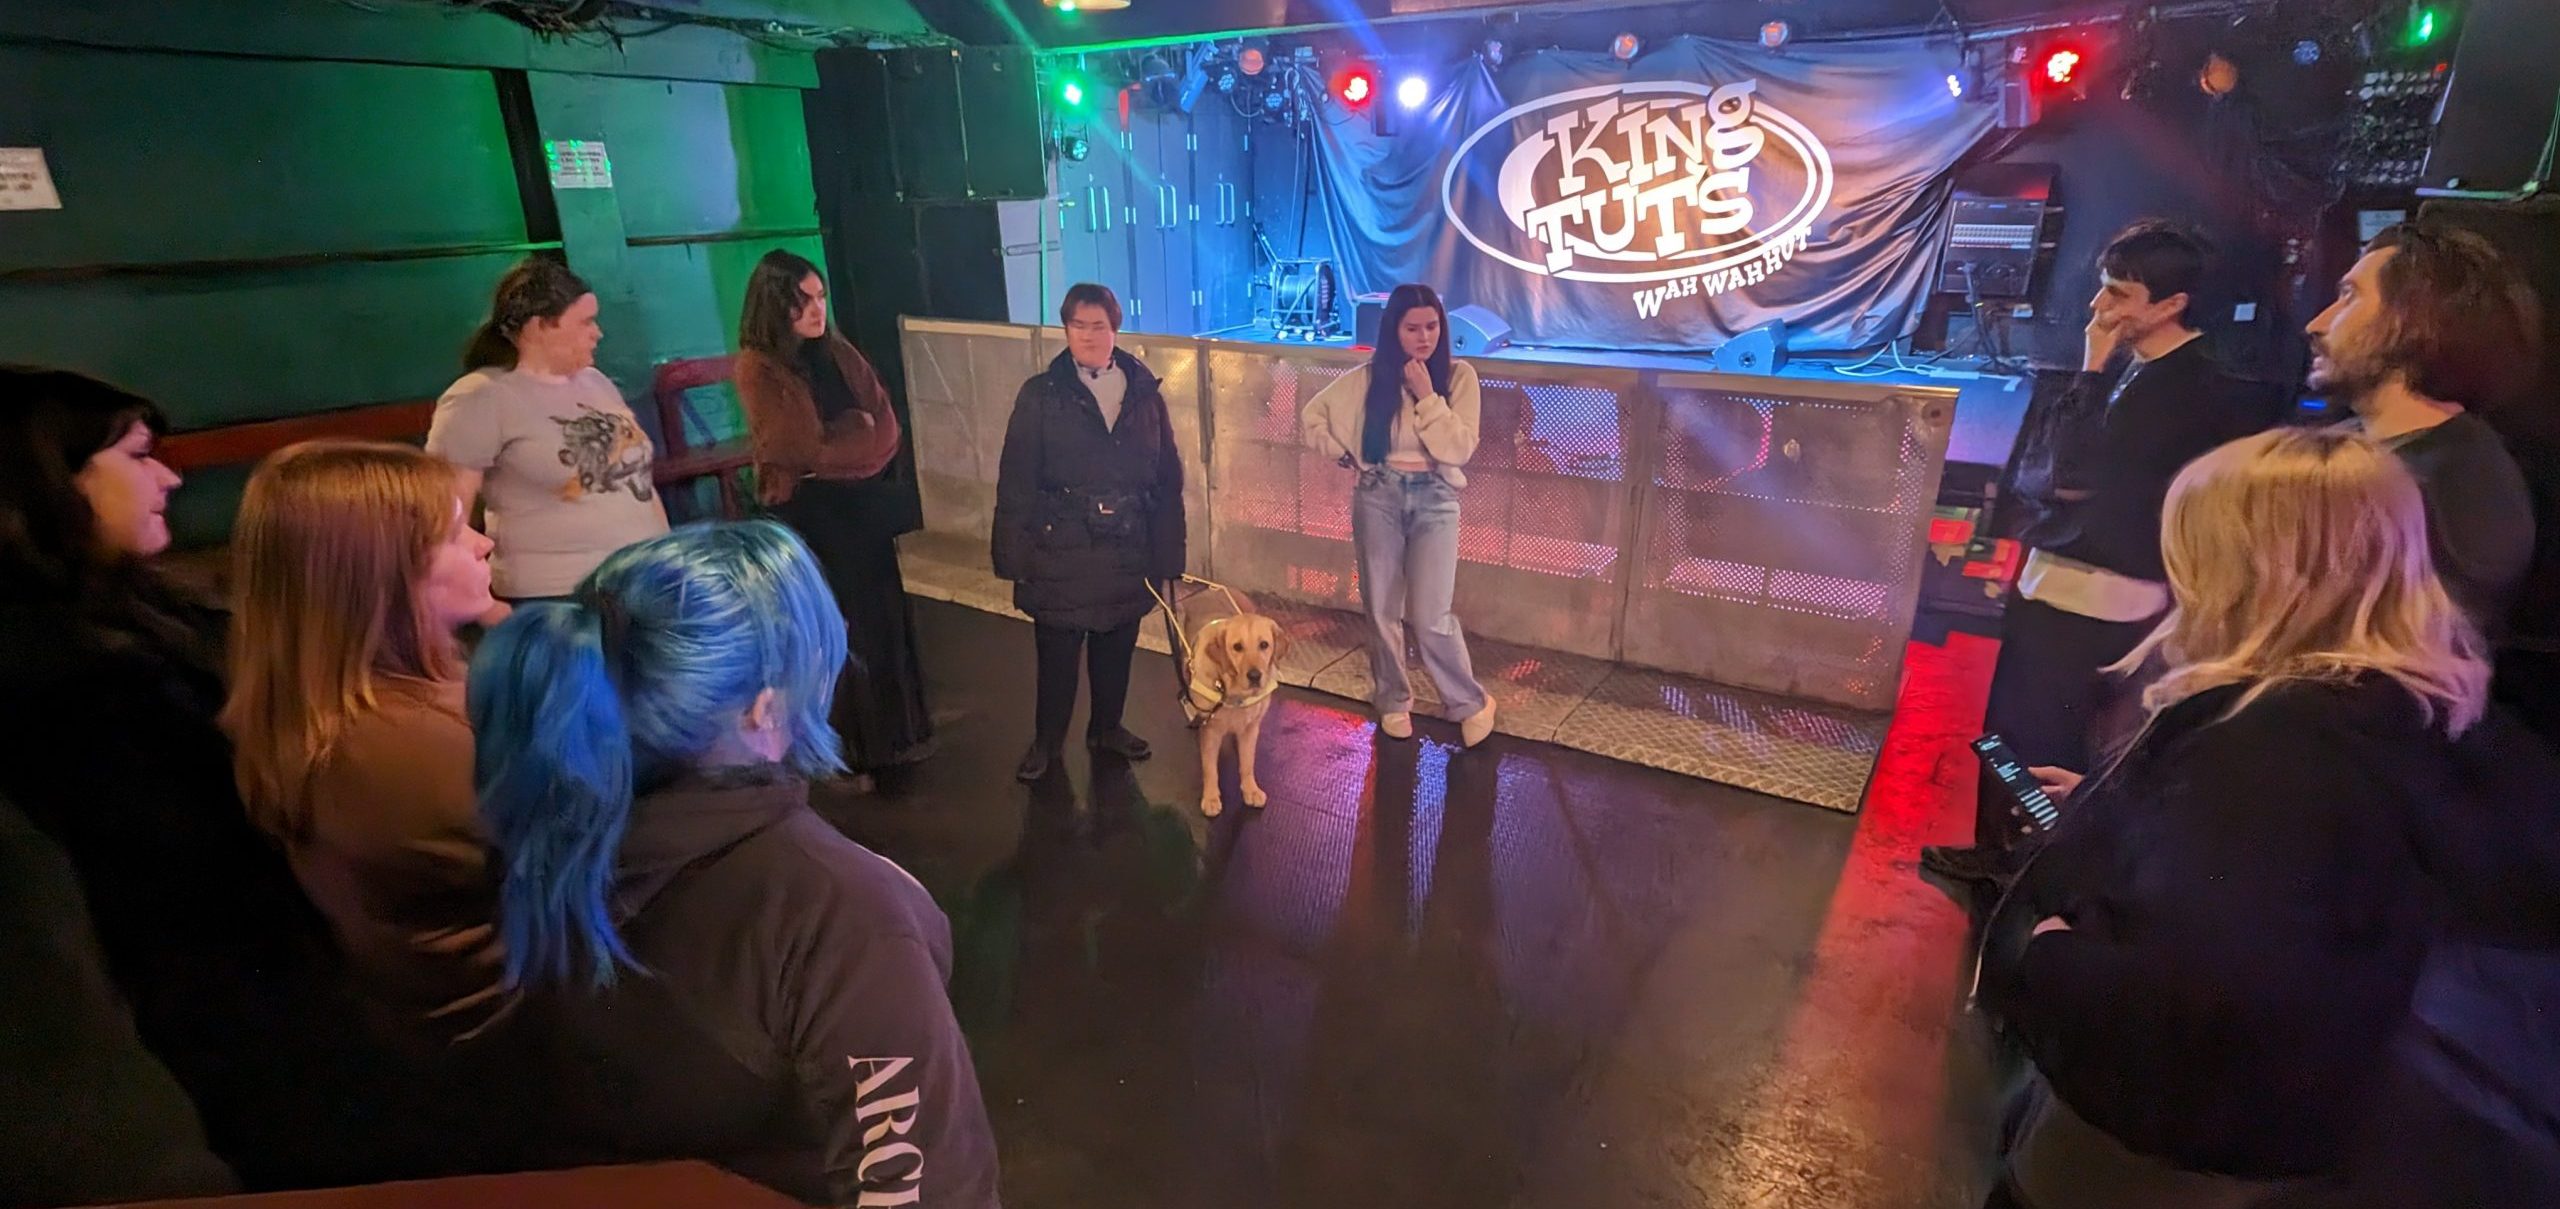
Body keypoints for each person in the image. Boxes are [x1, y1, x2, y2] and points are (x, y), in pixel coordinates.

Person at [1977, 428, 2560, 1207]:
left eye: (2194, 552)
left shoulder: (2277, 753)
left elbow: (2191, 1019)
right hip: (2294, 1150)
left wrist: (2047, 959)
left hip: (2142, 1167)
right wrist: (2119, 813)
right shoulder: (2398, 713)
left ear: (2254, 571)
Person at [469, 522, 1000, 1207]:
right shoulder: (840, 915)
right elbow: (931, 1193)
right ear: (764, 711)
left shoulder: (535, 824)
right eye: (818, 646)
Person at [0, 367, 413, 1189]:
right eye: (139, 454)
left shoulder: (139, 619)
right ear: (49, 481)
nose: (170, 477)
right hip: (215, 1047)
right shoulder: (70, 688)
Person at [1926, 222, 2266, 888]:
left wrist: (2088, 368)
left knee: (2039, 741)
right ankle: (2006, 850)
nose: (2099, 309)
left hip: (2093, 600)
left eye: (2118, 294)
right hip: (2060, 587)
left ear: (2171, 305)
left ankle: (2025, 864)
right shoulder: (2146, 374)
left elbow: (2061, 475)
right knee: (2009, 733)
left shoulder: (2182, 389)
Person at [222, 441, 508, 1045]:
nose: (483, 542)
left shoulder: (335, 709)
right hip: (512, 1028)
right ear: (382, 574)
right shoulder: (395, 749)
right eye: (457, 534)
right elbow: (607, 858)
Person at [734, 249, 932, 777]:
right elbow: (800, 448)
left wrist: (853, 436)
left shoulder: (838, 352)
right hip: (814, 513)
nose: (817, 310)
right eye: (803, 301)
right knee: (839, 629)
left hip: (860, 507)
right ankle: (856, 749)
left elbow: (885, 427)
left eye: (820, 297)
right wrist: (855, 434)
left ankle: (900, 733)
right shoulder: (761, 368)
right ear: (777, 306)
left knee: (885, 618)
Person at [992, 283, 1186, 782]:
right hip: (1060, 547)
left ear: (1115, 329)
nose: (1088, 335)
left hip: (1126, 544)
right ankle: (1046, 741)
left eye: (1098, 325)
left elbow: (1167, 478)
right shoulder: (1041, 395)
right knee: (1056, 652)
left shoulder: (1143, 394)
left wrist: (1169, 554)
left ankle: (1106, 728)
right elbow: (1017, 477)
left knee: (1116, 646)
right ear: (1066, 330)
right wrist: (1012, 553)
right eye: (1078, 325)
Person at [2305, 221, 2539, 636]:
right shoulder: (2349, 441)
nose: (2317, 324)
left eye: (2348, 297)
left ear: (2411, 320)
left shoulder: (2459, 489)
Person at [1299, 283, 1498, 747]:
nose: (1423, 337)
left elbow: (1457, 449)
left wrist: (1428, 395)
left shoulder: (1459, 376)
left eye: (1431, 326)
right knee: (1382, 607)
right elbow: (1314, 414)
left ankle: (1468, 701)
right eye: (1412, 328)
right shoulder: (1372, 377)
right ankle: (1392, 698)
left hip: (1436, 497)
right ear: (1395, 330)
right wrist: (1341, 453)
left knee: (1432, 614)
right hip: (1379, 493)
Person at [426, 257, 668, 610]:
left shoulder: (596, 382)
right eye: (585, 321)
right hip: (558, 596)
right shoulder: (480, 396)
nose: (597, 332)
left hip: (643, 575)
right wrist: (486, 609)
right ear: (539, 327)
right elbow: (443, 516)